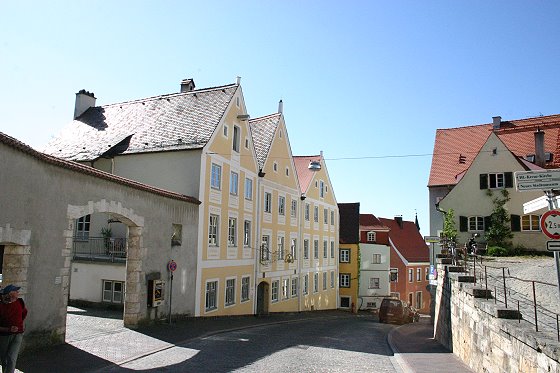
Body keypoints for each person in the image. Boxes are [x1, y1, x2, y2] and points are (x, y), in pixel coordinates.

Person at [0, 284, 27, 373]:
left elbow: (24, 314)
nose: (18, 292)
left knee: (11, 357)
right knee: (4, 359)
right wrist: (8, 329)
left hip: (18, 334)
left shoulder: (20, 302)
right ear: (10, 294)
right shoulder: (1, 305)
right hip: (4, 336)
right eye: (16, 291)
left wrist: (18, 325)